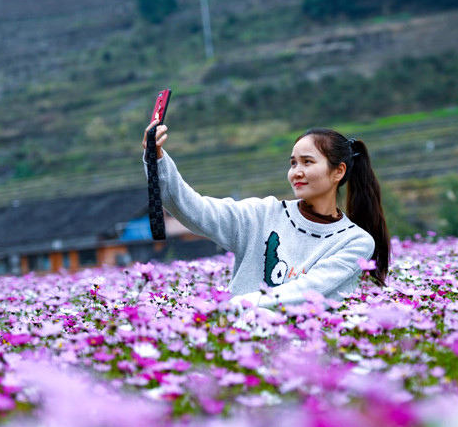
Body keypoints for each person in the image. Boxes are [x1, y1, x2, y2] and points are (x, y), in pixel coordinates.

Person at [144, 119, 390, 308]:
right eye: (293, 163)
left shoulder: (354, 241)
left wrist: (233, 307)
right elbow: (197, 210)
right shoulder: (264, 214)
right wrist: (158, 160)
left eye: (307, 162)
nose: (296, 172)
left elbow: (308, 291)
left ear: (338, 172)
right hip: (239, 348)